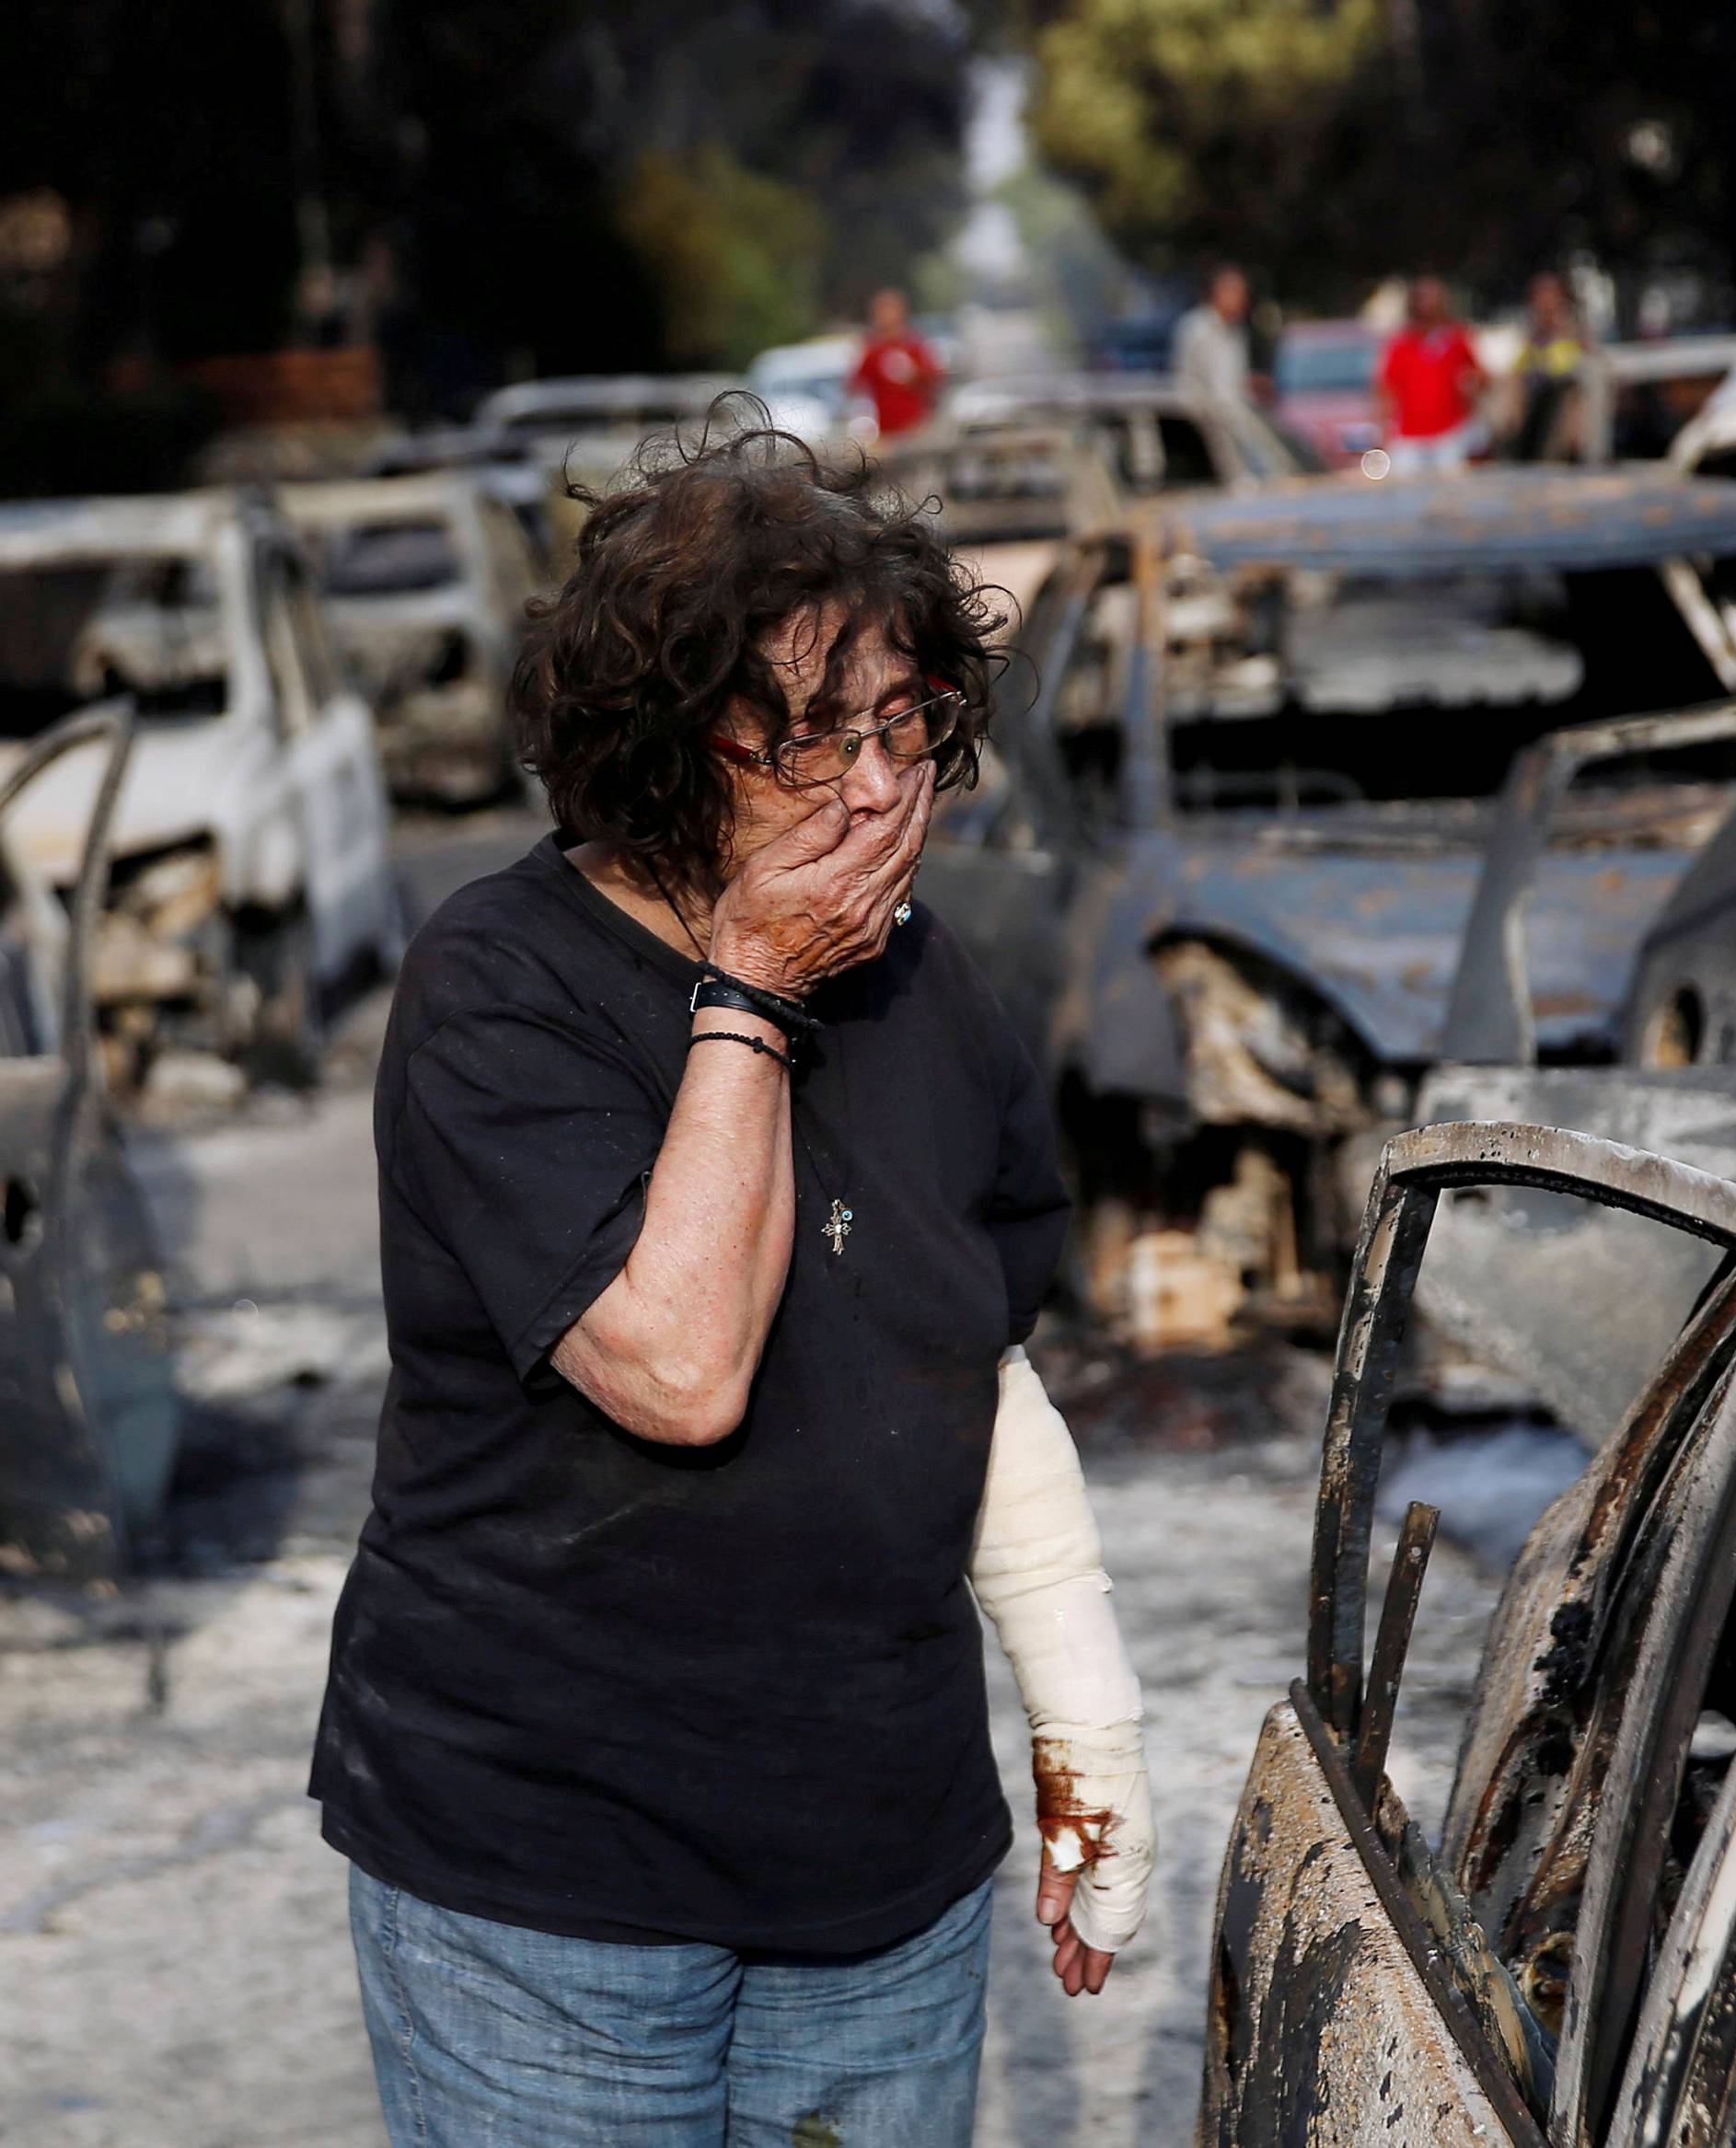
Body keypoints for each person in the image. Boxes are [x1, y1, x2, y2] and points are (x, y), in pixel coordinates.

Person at [309, 418, 1155, 2148]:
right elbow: (678, 1366)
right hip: (548, 1888)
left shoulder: (929, 988)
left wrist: (1091, 1732)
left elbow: (972, 1369)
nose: (870, 785)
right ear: (658, 749)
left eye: (904, 720)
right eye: (805, 735)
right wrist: (754, 986)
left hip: (878, 1882)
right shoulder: (502, 984)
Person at [1376, 275, 1487, 472]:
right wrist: (1385, 429)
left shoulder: (1456, 337)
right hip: (1409, 436)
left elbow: (1481, 377)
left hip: (1450, 434)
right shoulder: (1400, 343)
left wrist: (1471, 389)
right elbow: (1385, 387)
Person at [1510, 271, 1588, 461]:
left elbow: (1577, 359)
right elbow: (1520, 364)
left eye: (1550, 293)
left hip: (1564, 390)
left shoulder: (1572, 324)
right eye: (1540, 294)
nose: (1545, 300)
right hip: (1534, 391)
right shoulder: (1529, 327)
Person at [848, 287, 943, 437]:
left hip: (915, 427)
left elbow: (934, 381)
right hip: (886, 431)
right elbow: (856, 385)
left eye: (890, 310)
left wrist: (915, 376)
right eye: (881, 311)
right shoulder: (873, 349)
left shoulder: (914, 345)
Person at [1172, 264, 1256, 404]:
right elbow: (1184, 383)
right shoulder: (1196, 328)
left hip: (1232, 419)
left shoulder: (1237, 332)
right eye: (1237, 293)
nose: (1242, 300)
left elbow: (1234, 386)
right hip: (1203, 420)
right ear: (1219, 292)